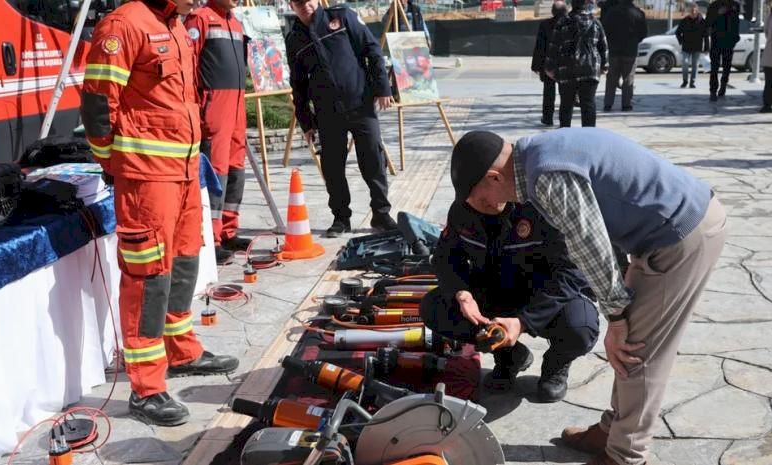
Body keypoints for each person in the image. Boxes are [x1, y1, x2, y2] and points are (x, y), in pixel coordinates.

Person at [448, 128, 726, 465]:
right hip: (661, 233)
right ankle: (614, 430)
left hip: (678, 236)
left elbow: (590, 249)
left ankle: (625, 456)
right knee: (633, 345)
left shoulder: (547, 177)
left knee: (638, 353)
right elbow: (599, 231)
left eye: (481, 198)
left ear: (493, 177)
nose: (489, 207)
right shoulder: (536, 153)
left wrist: (617, 318)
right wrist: (620, 304)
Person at [81, 0, 240, 427]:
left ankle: (180, 349)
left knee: (185, 262)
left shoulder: (174, 25)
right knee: (149, 275)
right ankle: (146, 388)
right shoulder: (125, 24)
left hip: (185, 171)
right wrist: (112, 163)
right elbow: (98, 104)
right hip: (146, 178)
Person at [421, 198, 599, 402]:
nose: (479, 200)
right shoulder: (462, 209)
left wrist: (524, 322)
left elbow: (571, 273)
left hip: (547, 295)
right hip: (496, 291)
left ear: (498, 177)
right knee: (435, 307)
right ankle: (509, 357)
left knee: (580, 327)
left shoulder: (544, 206)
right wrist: (462, 293)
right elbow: (445, 259)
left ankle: (556, 365)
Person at [286, 0, 398, 237]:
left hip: (360, 103)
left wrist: (383, 87)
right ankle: (340, 218)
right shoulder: (294, 38)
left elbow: (372, 49)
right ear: (291, 5)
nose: (305, 5)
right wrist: (306, 121)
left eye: (308, 0)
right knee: (333, 167)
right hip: (328, 113)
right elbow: (298, 85)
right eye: (298, 2)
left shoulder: (342, 17)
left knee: (373, 160)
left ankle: (381, 213)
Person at [185, 0, 253, 266]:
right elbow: (188, 66)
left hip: (236, 105)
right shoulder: (200, 19)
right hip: (215, 108)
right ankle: (211, 239)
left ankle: (228, 231)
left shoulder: (234, 21)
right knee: (217, 170)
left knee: (236, 168)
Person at [544, 0, 607, 128]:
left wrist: (549, 67)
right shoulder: (595, 22)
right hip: (590, 68)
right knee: (588, 104)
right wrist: (604, 66)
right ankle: (589, 135)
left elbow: (553, 46)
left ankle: (565, 135)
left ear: (572, 5)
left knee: (566, 105)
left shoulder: (562, 22)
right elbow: (603, 46)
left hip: (567, 68)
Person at [600, 0, 646, 111]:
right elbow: (643, 33)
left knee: (611, 78)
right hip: (630, 50)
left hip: (613, 50)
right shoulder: (638, 13)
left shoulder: (611, 12)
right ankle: (626, 104)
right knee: (628, 77)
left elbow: (604, 30)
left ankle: (608, 103)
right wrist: (634, 41)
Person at [531, 1, 568, 126]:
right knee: (566, 92)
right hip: (566, 63)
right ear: (566, 11)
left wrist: (536, 65)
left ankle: (548, 117)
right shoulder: (571, 23)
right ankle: (564, 120)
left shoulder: (545, 24)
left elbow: (540, 46)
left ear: (552, 11)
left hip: (548, 63)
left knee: (548, 92)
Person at [705, 0, 740, 101]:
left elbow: (736, 22)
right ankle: (713, 91)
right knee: (714, 67)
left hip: (729, 41)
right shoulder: (714, 6)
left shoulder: (734, 5)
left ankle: (723, 85)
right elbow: (707, 23)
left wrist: (735, 38)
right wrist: (718, 14)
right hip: (716, 40)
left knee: (727, 67)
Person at [675, 2, 708, 89]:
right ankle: (685, 81)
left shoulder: (702, 21)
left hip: (697, 47)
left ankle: (692, 82)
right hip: (686, 46)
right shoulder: (684, 21)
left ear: (697, 11)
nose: (693, 12)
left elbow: (706, 36)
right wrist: (681, 41)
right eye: (691, 10)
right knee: (685, 63)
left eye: (695, 10)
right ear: (689, 11)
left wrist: (706, 48)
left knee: (695, 65)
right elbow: (677, 32)